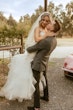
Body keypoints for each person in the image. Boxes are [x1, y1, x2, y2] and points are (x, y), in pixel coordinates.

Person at [0, 12, 51, 102]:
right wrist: (45, 36)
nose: (45, 22)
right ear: (40, 20)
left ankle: (30, 94)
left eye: (47, 20)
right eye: (43, 20)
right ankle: (18, 92)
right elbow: (36, 39)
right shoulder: (37, 28)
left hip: (39, 53)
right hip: (33, 51)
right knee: (25, 70)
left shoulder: (47, 30)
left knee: (32, 74)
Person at [27, 20, 60, 110]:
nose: (48, 23)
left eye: (50, 23)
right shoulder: (54, 40)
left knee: (36, 85)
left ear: (52, 28)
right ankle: (46, 97)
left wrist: (29, 45)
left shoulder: (46, 41)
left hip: (38, 64)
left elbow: (30, 49)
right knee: (44, 79)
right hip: (45, 63)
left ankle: (36, 107)